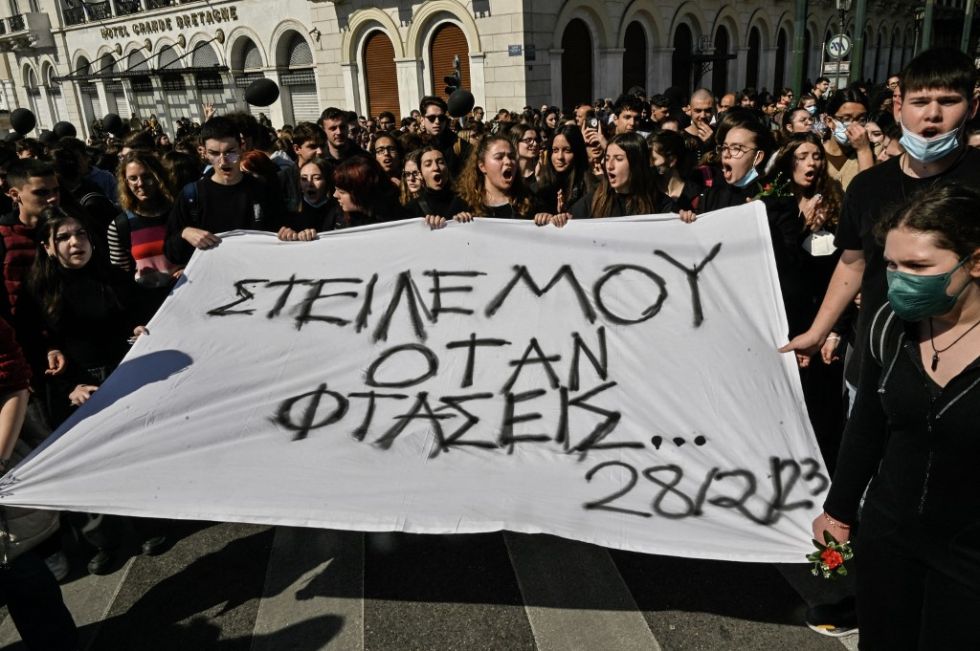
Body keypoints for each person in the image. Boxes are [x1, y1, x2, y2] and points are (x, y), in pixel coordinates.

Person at [814, 182, 980, 649]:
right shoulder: (889, 325)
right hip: (888, 543)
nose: (899, 278)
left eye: (918, 266)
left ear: (976, 262)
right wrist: (839, 510)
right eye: (891, 264)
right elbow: (867, 422)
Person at [164, 116, 284, 266]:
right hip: (211, 279)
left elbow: (279, 235)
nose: (223, 161)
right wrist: (185, 234)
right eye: (214, 153)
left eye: (230, 152)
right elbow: (171, 252)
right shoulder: (191, 195)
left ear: (242, 147)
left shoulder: (262, 190)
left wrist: (288, 234)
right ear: (204, 153)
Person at [107, 151, 181, 307]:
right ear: (125, 182)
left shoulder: (180, 214)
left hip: (186, 294)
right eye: (133, 178)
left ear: (158, 177)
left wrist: (188, 269)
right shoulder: (120, 226)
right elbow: (121, 277)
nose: (140, 183)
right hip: (147, 305)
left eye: (147, 176)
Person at [570, 132, 659, 220]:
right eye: (607, 158)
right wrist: (561, 219)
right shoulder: (591, 202)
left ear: (636, 164)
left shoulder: (658, 203)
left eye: (618, 159)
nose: (609, 166)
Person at [454, 135, 535, 220]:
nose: (508, 162)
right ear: (482, 166)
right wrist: (456, 221)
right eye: (499, 157)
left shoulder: (528, 200)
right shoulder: (464, 202)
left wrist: (545, 219)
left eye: (511, 157)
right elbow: (444, 228)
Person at [820, 88, 875, 189]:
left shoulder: (875, 152)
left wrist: (863, 150)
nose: (854, 126)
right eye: (846, 119)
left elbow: (869, 192)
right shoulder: (815, 153)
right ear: (829, 121)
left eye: (861, 119)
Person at [332, 155, 407, 228]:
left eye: (342, 192)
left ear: (362, 192)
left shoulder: (401, 221)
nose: (335, 195)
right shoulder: (337, 217)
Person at [278, 158, 342, 240]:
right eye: (304, 179)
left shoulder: (339, 211)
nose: (310, 184)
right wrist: (287, 235)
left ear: (327, 181)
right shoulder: (290, 212)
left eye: (316, 178)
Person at [536, 124, 593, 215]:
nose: (560, 157)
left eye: (567, 150)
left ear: (578, 152)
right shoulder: (540, 188)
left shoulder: (592, 189)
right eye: (555, 150)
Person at [409, 147, 469, 227]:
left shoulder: (465, 202)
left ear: (447, 169)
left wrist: (467, 221)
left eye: (440, 162)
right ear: (420, 174)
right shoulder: (412, 209)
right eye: (428, 164)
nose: (436, 167)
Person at [419, 96, 471, 176]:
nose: (437, 122)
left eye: (441, 118)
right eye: (432, 118)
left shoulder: (458, 145)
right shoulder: (414, 144)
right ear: (422, 120)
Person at [649, 129, 698, 212]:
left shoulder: (696, 196)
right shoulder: (647, 193)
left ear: (672, 161)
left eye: (653, 159)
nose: (649, 164)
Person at [507, 123, 541, 192]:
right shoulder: (507, 173)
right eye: (528, 140)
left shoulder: (542, 171)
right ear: (515, 142)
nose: (535, 144)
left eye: (536, 140)